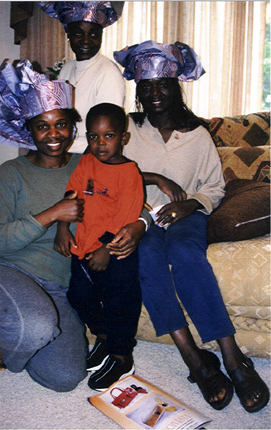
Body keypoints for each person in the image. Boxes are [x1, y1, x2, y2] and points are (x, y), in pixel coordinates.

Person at [114, 40, 270, 413]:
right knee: (147, 257)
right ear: (138, 90)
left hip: (187, 216)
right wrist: (151, 182)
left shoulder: (198, 135)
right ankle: (193, 358)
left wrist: (190, 204)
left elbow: (215, 187)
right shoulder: (128, 130)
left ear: (176, 88)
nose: (155, 93)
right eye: (147, 86)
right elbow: (110, 172)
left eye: (162, 85)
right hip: (142, 217)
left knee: (185, 253)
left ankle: (233, 358)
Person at [0, 60, 150, 391]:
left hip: (60, 285)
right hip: (8, 269)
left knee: (66, 378)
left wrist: (142, 223)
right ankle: (9, 325)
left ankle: (16, 321)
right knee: (35, 327)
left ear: (73, 131)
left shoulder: (88, 162)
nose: (54, 134)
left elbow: (131, 194)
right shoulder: (10, 174)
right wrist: (53, 214)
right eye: (42, 126)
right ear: (29, 131)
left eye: (61, 124)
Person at [54, 103, 144, 391]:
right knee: (78, 296)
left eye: (109, 136)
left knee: (120, 303)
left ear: (123, 138)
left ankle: (121, 355)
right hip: (83, 248)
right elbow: (72, 194)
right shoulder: (86, 162)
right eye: (94, 136)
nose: (100, 143)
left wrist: (106, 249)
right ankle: (103, 337)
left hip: (116, 252)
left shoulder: (130, 172)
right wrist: (62, 227)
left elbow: (127, 216)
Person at [39, 1, 126, 154]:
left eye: (94, 34)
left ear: (101, 36)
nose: (86, 40)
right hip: (62, 152)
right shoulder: (67, 68)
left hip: (89, 157)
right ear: (69, 35)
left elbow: (107, 136)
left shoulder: (108, 73)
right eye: (79, 33)